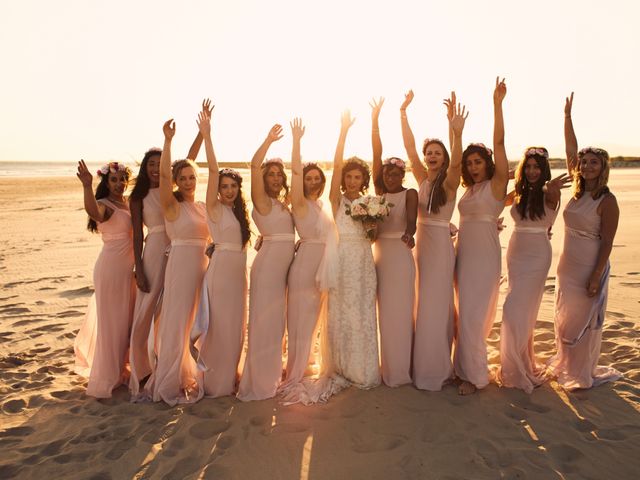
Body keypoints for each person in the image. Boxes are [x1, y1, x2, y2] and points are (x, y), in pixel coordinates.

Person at [129, 100, 213, 399]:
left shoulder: (184, 197)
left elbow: (185, 165)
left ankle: (183, 366)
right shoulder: (158, 198)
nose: (156, 168)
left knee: (184, 314)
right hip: (159, 251)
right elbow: (169, 175)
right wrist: (167, 140)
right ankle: (144, 365)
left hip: (186, 254)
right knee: (151, 310)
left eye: (159, 163)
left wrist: (203, 134)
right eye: (151, 164)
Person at [548, 92, 622, 390]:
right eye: (585, 162)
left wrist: (595, 275)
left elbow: (607, 242)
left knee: (584, 319)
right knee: (566, 316)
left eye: (594, 162)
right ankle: (567, 362)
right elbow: (570, 149)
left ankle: (581, 371)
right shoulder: (578, 192)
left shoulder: (607, 200)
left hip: (590, 265)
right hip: (567, 266)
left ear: (603, 168)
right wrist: (567, 118)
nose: (588, 166)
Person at [400, 90, 467, 391]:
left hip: (440, 246)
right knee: (420, 301)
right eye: (430, 153)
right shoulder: (421, 177)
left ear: (444, 158)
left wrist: (456, 132)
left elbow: (457, 163)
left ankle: (439, 367)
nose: (431, 156)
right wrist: (403, 113)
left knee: (437, 303)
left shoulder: (450, 182)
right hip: (421, 246)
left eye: (438, 153)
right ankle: (419, 364)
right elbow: (409, 147)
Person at [496, 147, 571, 393]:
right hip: (515, 251)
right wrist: (499, 177)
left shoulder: (550, 193)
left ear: (544, 169)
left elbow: (550, 200)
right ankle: (519, 361)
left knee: (514, 309)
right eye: (527, 166)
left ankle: (516, 366)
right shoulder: (518, 192)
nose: (531, 171)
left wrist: (551, 187)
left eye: (536, 167)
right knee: (519, 307)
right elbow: (495, 201)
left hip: (537, 254)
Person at [454, 77, 509, 395]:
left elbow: (500, 144)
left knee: (475, 314)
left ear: (488, 163)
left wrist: (497, 105)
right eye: (470, 163)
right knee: (464, 313)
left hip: (485, 258)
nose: (474, 167)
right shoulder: (469, 188)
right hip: (463, 253)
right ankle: (462, 369)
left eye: (478, 162)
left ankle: (475, 377)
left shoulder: (497, 185)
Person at [195, 108, 251, 398]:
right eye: (223, 187)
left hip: (238, 275)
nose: (228, 190)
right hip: (219, 275)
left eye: (232, 186)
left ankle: (229, 377)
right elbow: (214, 170)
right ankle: (214, 383)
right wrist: (207, 135)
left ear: (238, 189)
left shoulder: (240, 213)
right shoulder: (214, 208)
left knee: (235, 327)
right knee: (218, 327)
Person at [237, 124, 295, 401]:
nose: (274, 177)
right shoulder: (260, 201)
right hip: (268, 265)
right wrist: (268, 141)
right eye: (269, 174)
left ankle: (272, 374)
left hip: (285, 266)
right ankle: (260, 382)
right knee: (264, 322)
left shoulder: (285, 203)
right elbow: (253, 164)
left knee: (277, 323)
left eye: (278, 174)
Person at [279, 118, 336, 401]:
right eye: (308, 178)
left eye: (317, 178)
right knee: (300, 321)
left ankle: (302, 365)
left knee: (312, 321)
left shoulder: (323, 205)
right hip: (304, 267)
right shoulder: (299, 203)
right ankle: (295, 372)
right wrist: (297, 142)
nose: (312, 181)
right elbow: (295, 173)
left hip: (322, 269)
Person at [324, 110, 380, 393]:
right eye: (349, 176)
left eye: (357, 177)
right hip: (342, 258)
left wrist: (371, 225)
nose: (352, 181)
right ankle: (341, 366)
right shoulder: (336, 200)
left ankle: (363, 368)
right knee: (341, 311)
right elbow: (335, 166)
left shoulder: (372, 203)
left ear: (364, 179)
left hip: (363, 260)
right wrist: (343, 131)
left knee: (362, 311)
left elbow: (372, 237)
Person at [74, 160, 136, 398]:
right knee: (113, 323)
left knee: (128, 319)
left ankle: (123, 366)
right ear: (106, 182)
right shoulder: (104, 204)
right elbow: (92, 212)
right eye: (114, 179)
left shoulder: (130, 203)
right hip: (111, 269)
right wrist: (87, 186)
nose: (119, 183)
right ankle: (109, 374)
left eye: (122, 179)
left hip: (130, 270)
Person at [370, 97, 417, 387]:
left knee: (401, 310)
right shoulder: (377, 193)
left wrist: (410, 234)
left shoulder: (409, 193)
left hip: (400, 254)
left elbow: (411, 222)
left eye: (396, 172)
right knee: (383, 312)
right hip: (379, 255)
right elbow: (376, 153)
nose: (391, 176)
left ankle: (401, 369)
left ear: (403, 175)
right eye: (387, 172)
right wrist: (375, 120)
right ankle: (385, 366)